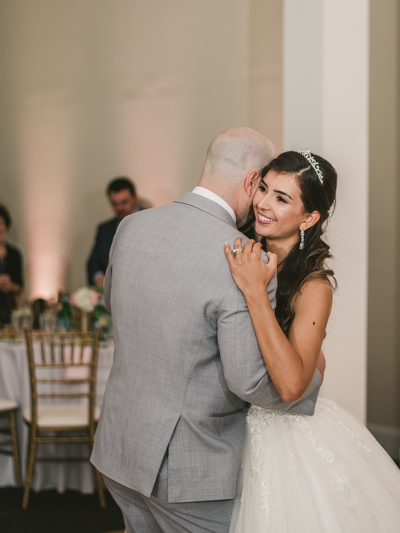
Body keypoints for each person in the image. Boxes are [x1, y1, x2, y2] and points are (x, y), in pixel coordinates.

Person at [91, 128, 323, 533]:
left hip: (120, 446)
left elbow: (114, 305)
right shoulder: (241, 256)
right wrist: (309, 376)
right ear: (252, 182)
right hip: (187, 468)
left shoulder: (131, 227)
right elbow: (248, 382)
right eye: (264, 187)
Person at [224, 151, 400, 531]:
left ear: (309, 217)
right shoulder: (237, 250)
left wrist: (255, 292)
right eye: (264, 188)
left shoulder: (313, 287)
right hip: (226, 428)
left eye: (282, 198)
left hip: (283, 437)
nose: (263, 204)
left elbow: (291, 385)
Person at [86, 177, 143, 288]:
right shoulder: (104, 229)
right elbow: (93, 263)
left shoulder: (152, 223)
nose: (120, 208)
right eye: (115, 204)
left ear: (135, 198)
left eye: (124, 202)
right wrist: (99, 278)